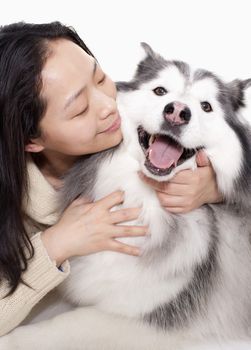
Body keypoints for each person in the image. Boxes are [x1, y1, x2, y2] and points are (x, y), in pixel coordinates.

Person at [0, 21, 221, 336]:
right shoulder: (19, 208)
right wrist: (55, 245)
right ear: (31, 140)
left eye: (100, 77)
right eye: (79, 110)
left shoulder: (138, 119)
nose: (108, 105)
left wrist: (217, 186)